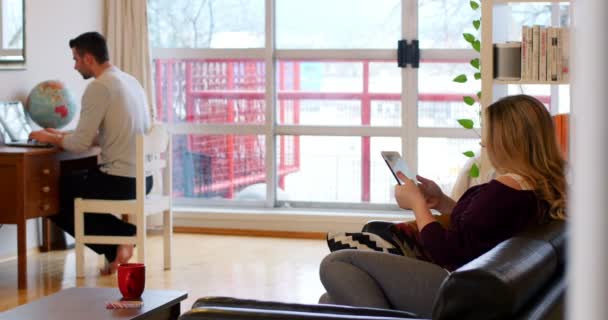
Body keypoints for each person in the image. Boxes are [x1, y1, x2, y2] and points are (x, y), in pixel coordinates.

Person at [319, 94, 567, 317]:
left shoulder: (503, 190)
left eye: (488, 135)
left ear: (509, 142)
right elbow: (485, 228)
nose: (483, 144)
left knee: (337, 263)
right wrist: (442, 202)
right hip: (484, 280)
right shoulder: (539, 186)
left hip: (457, 285)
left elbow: (446, 251)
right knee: (331, 301)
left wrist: (418, 205)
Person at [29, 31, 152, 275]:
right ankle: (117, 244)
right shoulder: (129, 81)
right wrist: (61, 136)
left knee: (54, 195)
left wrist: (49, 137)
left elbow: (79, 145)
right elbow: (105, 134)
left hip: (121, 181)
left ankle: (121, 237)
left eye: (75, 59)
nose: (75, 66)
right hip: (143, 178)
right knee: (70, 185)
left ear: (88, 58)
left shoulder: (100, 87)